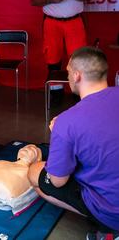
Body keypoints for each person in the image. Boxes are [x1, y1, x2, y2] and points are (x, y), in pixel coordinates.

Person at [27, 46, 119, 239]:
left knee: (35, 172)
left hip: (112, 211)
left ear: (76, 76)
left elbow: (58, 181)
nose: (68, 77)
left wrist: (58, 135)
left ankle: (104, 228)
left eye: (68, 71)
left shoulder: (66, 122)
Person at [31, 0, 94, 104]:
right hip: (51, 22)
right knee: (52, 60)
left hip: (74, 21)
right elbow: (34, 0)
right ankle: (56, 94)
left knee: (79, 61)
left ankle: (78, 94)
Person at [0, 144, 42, 213]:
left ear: (37, 159)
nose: (27, 149)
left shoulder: (29, 172)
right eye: (25, 148)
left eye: (32, 150)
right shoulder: (0, 162)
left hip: (4, 196)